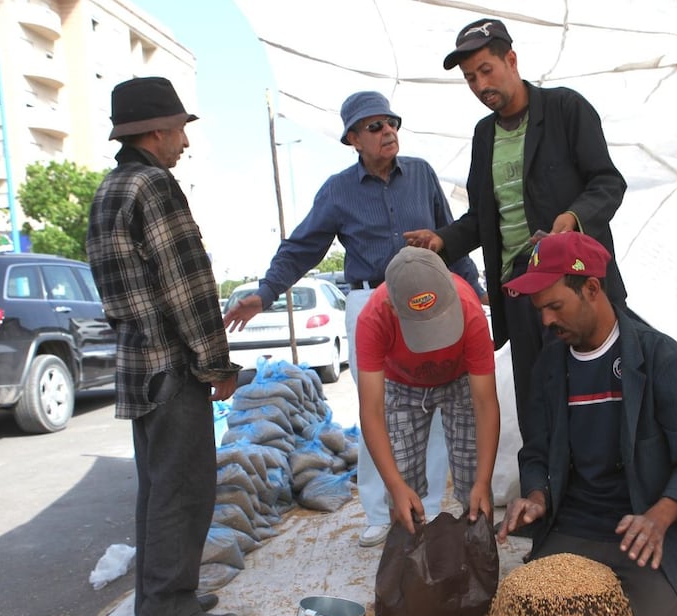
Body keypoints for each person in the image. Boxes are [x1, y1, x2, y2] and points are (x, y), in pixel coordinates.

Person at [223, 91, 485, 548]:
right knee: (378, 412)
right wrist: (264, 294)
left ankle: (432, 507)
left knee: (439, 402)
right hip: (372, 306)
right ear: (352, 139)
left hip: (428, 301)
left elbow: (450, 238)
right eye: (375, 126)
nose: (388, 132)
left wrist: (474, 292)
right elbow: (302, 246)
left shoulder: (421, 174)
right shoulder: (338, 189)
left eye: (391, 123)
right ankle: (381, 512)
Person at [404, 17, 630, 438]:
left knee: (595, 395)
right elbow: (481, 217)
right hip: (517, 293)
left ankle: (603, 493)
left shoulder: (565, 108)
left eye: (486, 70)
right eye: (470, 79)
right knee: (537, 402)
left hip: (574, 288)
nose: (479, 85)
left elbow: (608, 182)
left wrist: (573, 219)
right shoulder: (484, 135)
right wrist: (443, 240)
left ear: (512, 60)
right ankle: (545, 494)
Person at [497, 231, 677, 616]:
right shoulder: (550, 365)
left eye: (555, 306)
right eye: (539, 310)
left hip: (645, 534)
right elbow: (536, 450)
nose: (545, 321)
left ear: (592, 289)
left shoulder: (660, 359)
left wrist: (658, 517)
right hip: (576, 528)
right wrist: (537, 495)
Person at [87, 76, 240, 616]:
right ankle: (169, 609)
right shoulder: (154, 186)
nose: (185, 141)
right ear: (155, 131)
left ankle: (161, 597)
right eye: (179, 129)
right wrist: (216, 365)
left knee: (157, 487)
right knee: (185, 487)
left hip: (136, 364)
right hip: (171, 364)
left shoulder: (109, 189)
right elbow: (186, 285)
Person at [356, 246, 498, 531]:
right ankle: (410, 557)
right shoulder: (372, 318)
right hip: (402, 384)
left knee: (474, 482)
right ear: (391, 306)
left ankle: (478, 553)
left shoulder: (470, 310)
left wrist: (483, 482)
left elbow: (485, 403)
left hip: (460, 381)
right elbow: (371, 411)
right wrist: (395, 486)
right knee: (401, 485)